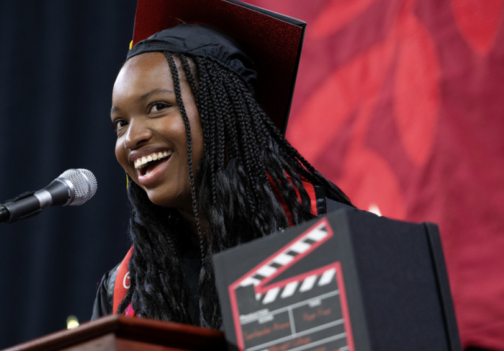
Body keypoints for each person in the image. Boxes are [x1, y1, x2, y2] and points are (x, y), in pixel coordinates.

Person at [92, 1, 353, 329]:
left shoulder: (330, 237)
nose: (132, 137)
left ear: (225, 117)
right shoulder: (128, 289)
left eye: (158, 106)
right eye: (120, 123)